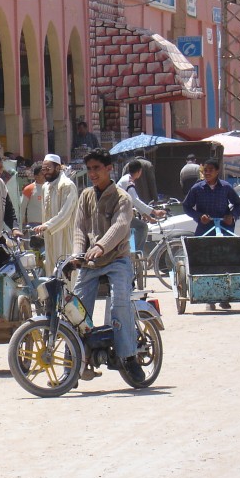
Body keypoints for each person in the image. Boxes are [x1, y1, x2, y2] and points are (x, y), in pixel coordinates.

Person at [71, 149, 146, 383]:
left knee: (120, 304)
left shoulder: (123, 198)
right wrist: (77, 254)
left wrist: (102, 246)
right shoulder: (85, 196)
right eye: (89, 169)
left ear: (108, 168)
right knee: (75, 309)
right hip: (91, 263)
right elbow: (79, 229)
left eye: (97, 168)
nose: (92, 173)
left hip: (117, 260)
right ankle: (73, 362)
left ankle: (129, 357)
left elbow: (120, 226)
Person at [182, 158, 240, 310]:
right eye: (205, 170)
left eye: (211, 170)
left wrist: (232, 216)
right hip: (205, 229)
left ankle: (225, 297)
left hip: (224, 228)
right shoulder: (197, 188)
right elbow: (186, 206)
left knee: (226, 261)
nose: (207, 172)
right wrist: (199, 216)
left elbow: (238, 204)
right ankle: (210, 297)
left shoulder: (226, 187)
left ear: (217, 171)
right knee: (206, 261)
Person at [33, 153, 78, 275]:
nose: (45, 172)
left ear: (58, 168)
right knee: (51, 271)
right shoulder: (45, 187)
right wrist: (44, 229)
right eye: (43, 169)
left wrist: (47, 225)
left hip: (64, 235)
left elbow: (65, 213)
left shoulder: (67, 185)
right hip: (49, 236)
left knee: (65, 271)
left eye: (48, 169)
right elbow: (45, 213)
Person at [117, 160, 167, 252]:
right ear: (139, 171)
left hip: (122, 213)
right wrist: (154, 212)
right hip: (120, 215)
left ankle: (133, 253)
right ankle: (137, 253)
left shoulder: (126, 179)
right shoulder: (128, 182)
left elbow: (135, 203)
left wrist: (149, 217)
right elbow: (136, 201)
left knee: (134, 230)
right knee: (142, 227)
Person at [20, 163, 45, 231]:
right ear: (36, 176)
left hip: (47, 224)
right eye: (42, 174)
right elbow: (22, 207)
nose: (44, 176)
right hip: (33, 225)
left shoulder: (50, 188)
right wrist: (21, 224)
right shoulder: (29, 188)